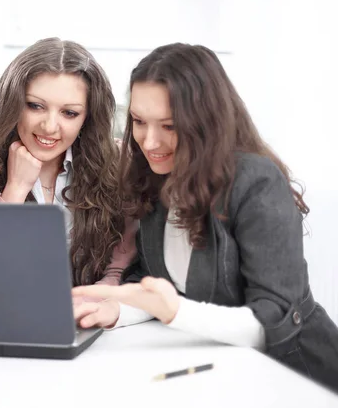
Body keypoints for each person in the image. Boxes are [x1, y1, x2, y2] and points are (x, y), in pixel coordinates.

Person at [72, 43, 338, 391]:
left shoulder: (255, 182)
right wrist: (116, 312)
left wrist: (175, 312)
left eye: (168, 125)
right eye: (139, 121)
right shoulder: (155, 176)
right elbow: (156, 281)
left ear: (205, 122)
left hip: (299, 375)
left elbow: (276, 321)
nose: (149, 141)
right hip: (224, 373)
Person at [0, 37, 126, 286]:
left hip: (83, 319)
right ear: (14, 103)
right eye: (35, 106)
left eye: (69, 113)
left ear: (87, 117)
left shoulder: (112, 166)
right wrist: (16, 189)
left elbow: (123, 265)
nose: (50, 126)